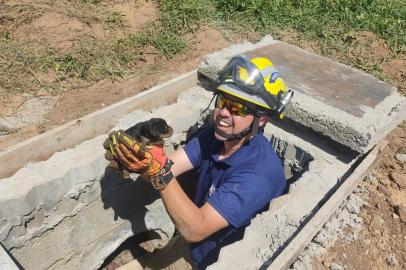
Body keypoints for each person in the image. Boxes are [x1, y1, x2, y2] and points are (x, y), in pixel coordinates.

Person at [104, 55, 294, 269]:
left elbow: (196, 229)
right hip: (189, 239)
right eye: (222, 101)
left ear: (262, 120)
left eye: (238, 108)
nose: (223, 113)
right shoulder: (214, 137)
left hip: (208, 259)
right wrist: (140, 158)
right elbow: (168, 169)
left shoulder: (258, 175)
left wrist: (159, 171)